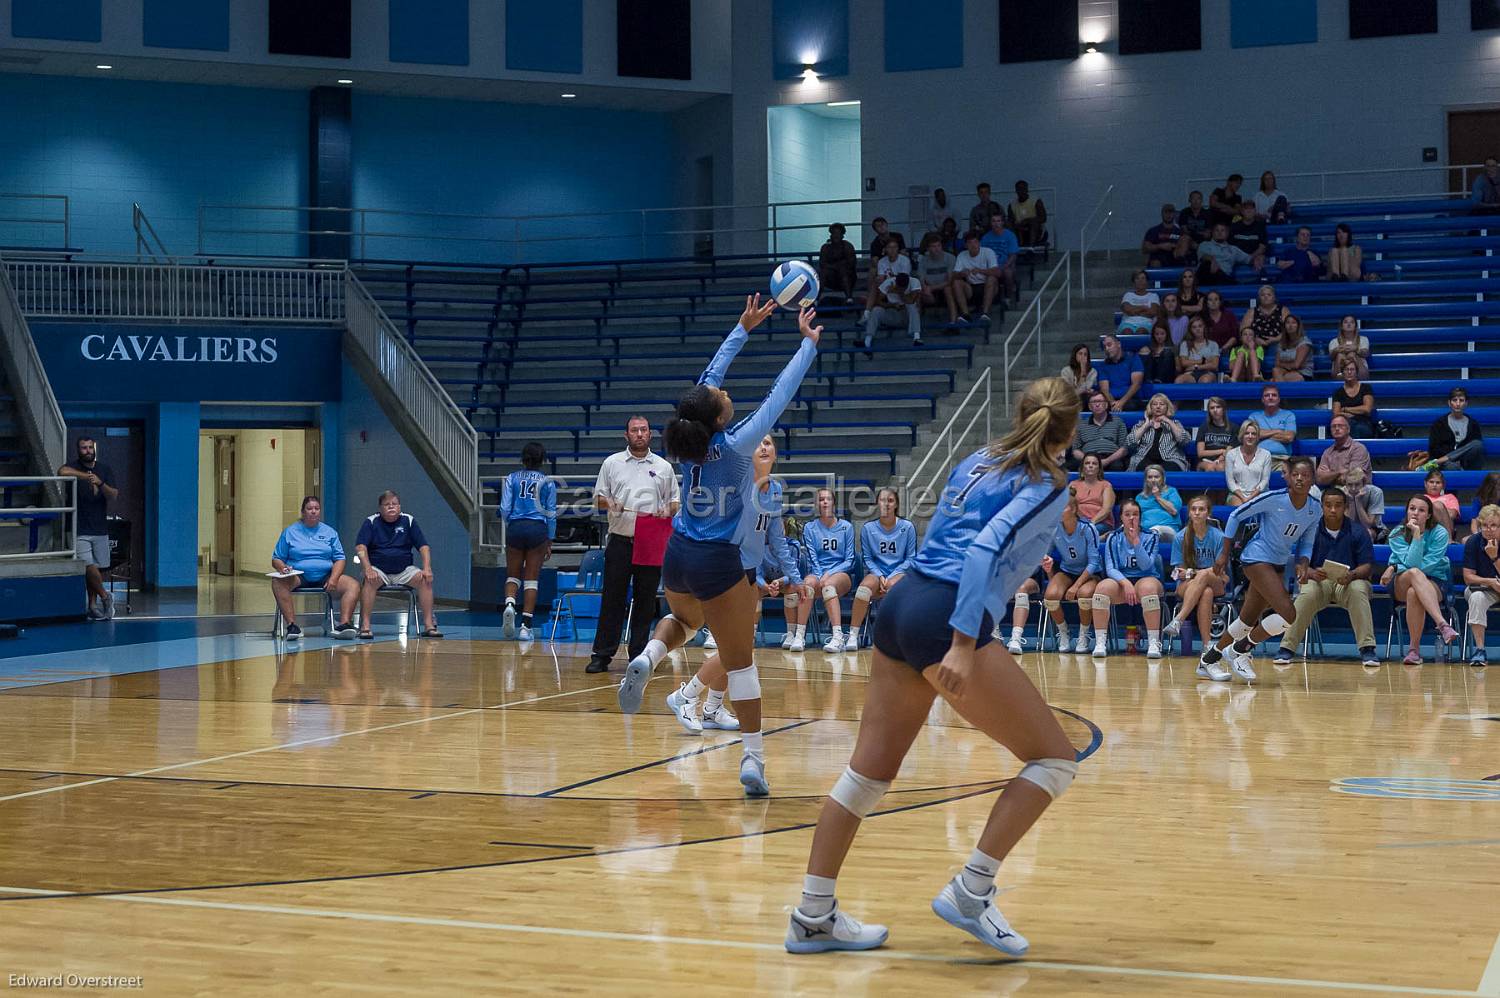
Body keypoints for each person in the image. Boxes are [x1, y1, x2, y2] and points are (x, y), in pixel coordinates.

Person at [785, 377, 1080, 958]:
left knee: (866, 775)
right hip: (947, 613)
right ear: (1070, 434)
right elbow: (985, 547)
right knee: (1053, 760)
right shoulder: (1051, 483)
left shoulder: (978, 457)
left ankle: (813, 914)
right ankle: (972, 891)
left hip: (903, 602)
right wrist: (965, 644)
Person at [616, 296, 820, 800]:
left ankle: (649, 654)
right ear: (721, 418)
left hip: (678, 552)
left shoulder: (690, 441)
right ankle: (753, 758)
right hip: (717, 561)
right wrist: (807, 345)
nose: (724, 392)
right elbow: (781, 393)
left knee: (685, 622)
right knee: (741, 663)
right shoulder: (737, 445)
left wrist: (742, 328)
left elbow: (707, 379)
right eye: (723, 396)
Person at [668, 433, 802, 733]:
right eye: (759, 443)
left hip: (750, 573)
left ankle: (713, 708)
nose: (764, 447)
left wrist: (793, 576)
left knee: (743, 649)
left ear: (776, 452)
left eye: (769, 443)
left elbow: (777, 539)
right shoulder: (735, 487)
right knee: (736, 649)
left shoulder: (775, 489)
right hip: (726, 571)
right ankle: (685, 696)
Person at [1197, 457, 1322, 683]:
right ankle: (1240, 651)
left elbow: (1307, 541)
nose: (1301, 479)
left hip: (1278, 564)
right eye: (1296, 475)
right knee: (1288, 614)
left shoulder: (1315, 509)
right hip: (1256, 558)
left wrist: (1303, 562)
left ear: (1313, 479)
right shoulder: (1274, 499)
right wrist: (1224, 553)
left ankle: (1208, 660)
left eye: (1306, 475)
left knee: (1247, 620)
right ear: (1289, 477)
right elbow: (1235, 515)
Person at [586, 415, 680, 675]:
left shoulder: (663, 467)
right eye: (634, 430)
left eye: (644, 430)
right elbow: (598, 498)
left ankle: (639, 655)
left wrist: (665, 509)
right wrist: (610, 503)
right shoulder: (612, 463)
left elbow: (675, 503)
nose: (639, 434)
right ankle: (601, 654)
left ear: (651, 435)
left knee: (646, 601)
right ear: (626, 435)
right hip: (620, 540)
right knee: (612, 598)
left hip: (650, 541)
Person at [1273, 487, 1379, 668]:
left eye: (1337, 505)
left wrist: (1352, 574)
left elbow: (1367, 566)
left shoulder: (1358, 531)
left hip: (1348, 582)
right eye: (1328, 505)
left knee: (1359, 589)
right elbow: (1299, 563)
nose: (1332, 509)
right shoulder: (1310, 530)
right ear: (1321, 506)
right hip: (1318, 581)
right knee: (1307, 594)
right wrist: (1312, 572)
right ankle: (1286, 648)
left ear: (1345, 507)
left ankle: (1367, 649)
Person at [1022, 485, 1102, 654]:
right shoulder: (1054, 528)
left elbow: (1094, 562)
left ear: (1073, 509)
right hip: (1067, 570)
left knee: (1085, 594)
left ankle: (1083, 634)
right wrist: (1046, 561)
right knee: (1050, 597)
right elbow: (1046, 554)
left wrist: (1076, 586)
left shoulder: (1088, 529)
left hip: (1090, 573)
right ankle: (1063, 631)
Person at [1380, 495, 1458, 665]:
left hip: (1434, 580)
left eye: (1421, 510)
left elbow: (1427, 567)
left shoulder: (1439, 533)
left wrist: (1394, 566)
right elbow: (1413, 565)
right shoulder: (1397, 533)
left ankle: (1413, 651)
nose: (1415, 513)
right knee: (1414, 573)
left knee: (1414, 592)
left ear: (1429, 515)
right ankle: (1442, 624)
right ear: (1407, 511)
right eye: (1412, 508)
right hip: (1402, 580)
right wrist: (1416, 535)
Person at [270, 495, 360, 640]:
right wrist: (283, 567)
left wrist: (334, 578)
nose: (313, 511)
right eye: (309, 508)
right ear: (303, 512)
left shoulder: (329, 532)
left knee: (353, 585)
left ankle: (344, 624)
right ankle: (292, 626)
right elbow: (276, 558)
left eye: (316, 509)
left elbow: (340, 558)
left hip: (326, 575)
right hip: (298, 576)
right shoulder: (290, 532)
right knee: (277, 582)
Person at [354, 490, 440, 639]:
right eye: (387, 504)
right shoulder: (371, 521)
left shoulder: (408, 520)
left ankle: (429, 625)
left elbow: (423, 547)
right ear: (380, 508)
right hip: (378, 569)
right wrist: (367, 568)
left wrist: (427, 568)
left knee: (425, 579)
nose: (391, 507)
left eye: (394, 504)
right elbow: (361, 547)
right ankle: (365, 626)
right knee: (370, 579)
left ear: (399, 506)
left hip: (404, 570)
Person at [1090, 499, 1166, 659]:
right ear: (1121, 518)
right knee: (1101, 589)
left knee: (1147, 589)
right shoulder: (1113, 537)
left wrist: (1136, 543)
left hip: (1147, 577)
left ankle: (1154, 643)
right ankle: (1100, 643)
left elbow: (1146, 566)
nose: (1132, 518)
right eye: (1127, 514)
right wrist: (1125, 583)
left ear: (1140, 517)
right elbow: (1110, 568)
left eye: (1136, 514)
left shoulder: (1151, 536)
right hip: (1122, 581)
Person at [499, 442, 557, 641]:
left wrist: (511, 523)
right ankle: (526, 626)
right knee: (531, 578)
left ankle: (509, 605)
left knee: (512, 575)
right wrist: (550, 538)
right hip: (537, 529)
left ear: (523, 458)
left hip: (516, 526)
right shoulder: (547, 482)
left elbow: (505, 508)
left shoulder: (512, 478)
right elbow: (551, 513)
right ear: (542, 459)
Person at [58, 436, 120, 621]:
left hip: (99, 527)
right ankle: (106, 597)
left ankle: (93, 605)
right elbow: (62, 471)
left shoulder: (105, 469)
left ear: (94, 449)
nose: (87, 450)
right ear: (78, 450)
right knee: (87, 565)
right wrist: (87, 476)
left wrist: (99, 483)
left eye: (89, 447)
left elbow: (114, 495)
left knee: (97, 569)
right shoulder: (74, 466)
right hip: (79, 527)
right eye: (83, 448)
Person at [847, 488, 917, 652]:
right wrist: (880, 576)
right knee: (863, 590)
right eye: (882, 500)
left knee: (894, 587)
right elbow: (868, 559)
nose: (886, 504)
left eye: (890, 500)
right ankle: (852, 635)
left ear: (896, 505)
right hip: (876, 572)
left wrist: (891, 577)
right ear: (877, 503)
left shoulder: (907, 527)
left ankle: (891, 639)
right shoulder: (868, 528)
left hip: (899, 572)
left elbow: (911, 558)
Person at [791, 488, 857, 654]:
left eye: (828, 499)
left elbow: (849, 560)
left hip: (841, 575)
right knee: (807, 584)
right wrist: (820, 575)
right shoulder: (810, 528)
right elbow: (813, 558)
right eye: (821, 499)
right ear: (817, 504)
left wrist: (829, 574)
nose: (825, 502)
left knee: (829, 585)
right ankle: (799, 636)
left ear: (834, 503)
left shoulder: (846, 527)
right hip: (818, 571)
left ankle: (838, 636)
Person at [1160, 496, 1228, 649]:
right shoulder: (1180, 537)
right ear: (1189, 513)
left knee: (1205, 576)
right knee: (1206, 592)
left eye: (1201, 509)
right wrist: (1193, 574)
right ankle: (1207, 645)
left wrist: (1193, 572)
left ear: (1208, 513)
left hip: (1217, 581)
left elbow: (1218, 570)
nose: (1197, 513)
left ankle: (1179, 619)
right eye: (1193, 509)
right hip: (1187, 585)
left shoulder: (1219, 536)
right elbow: (1180, 572)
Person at [1461, 504, 1500, 665]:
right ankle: (1480, 650)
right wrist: (1490, 582)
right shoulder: (1473, 542)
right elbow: (1468, 577)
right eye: (1485, 525)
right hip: (1482, 588)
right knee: (1476, 597)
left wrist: (1494, 558)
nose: (1489, 530)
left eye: (1494, 525)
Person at [1126, 393, 1190, 472]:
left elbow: (1184, 440)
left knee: (1169, 469)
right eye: (1155, 404)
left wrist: (1168, 421)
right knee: (1145, 469)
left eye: (1162, 404)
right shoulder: (1141, 424)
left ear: (1167, 407)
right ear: (1151, 407)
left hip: (1170, 459)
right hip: (1144, 458)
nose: (1158, 406)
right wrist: (1146, 425)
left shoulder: (1175, 423)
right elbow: (1130, 442)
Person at [861, 272, 923, 354]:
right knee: (876, 310)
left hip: (908, 316)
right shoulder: (889, 283)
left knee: (912, 306)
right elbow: (877, 301)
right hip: (893, 313)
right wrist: (891, 305)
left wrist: (899, 292)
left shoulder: (915, 282)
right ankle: (867, 341)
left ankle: (916, 337)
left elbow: (911, 301)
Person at [1425, 386, 1485, 471]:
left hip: (1466, 462)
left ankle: (1442, 460)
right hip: (1446, 464)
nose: (1458, 404)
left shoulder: (1473, 424)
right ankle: (1444, 460)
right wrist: (1452, 458)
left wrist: (1459, 459)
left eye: (1461, 400)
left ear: (1466, 403)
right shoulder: (1439, 424)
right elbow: (1434, 448)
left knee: (1477, 444)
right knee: (1452, 467)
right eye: (1454, 400)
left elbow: (1476, 449)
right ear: (1449, 403)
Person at [950, 230, 1001, 323]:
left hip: (988, 286)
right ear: (965, 245)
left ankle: (985, 313)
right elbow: (954, 275)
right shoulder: (962, 255)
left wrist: (980, 270)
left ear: (979, 243)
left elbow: (997, 272)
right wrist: (962, 273)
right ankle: (966, 314)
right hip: (971, 288)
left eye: (975, 242)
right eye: (970, 243)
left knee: (992, 278)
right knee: (956, 282)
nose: (973, 245)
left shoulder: (988, 252)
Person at [1070, 390, 1128, 471]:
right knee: (1072, 466)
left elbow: (1124, 449)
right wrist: (1089, 461)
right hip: (1087, 458)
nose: (1097, 404)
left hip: (1111, 458)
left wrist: (1107, 461)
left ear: (1106, 405)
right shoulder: (1081, 424)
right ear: (1089, 407)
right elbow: (1075, 450)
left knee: (1117, 466)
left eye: (1100, 401)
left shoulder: (1118, 422)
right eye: (1094, 402)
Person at [862, 236, 914, 319]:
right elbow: (881, 278)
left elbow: (903, 279)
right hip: (888, 287)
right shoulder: (882, 261)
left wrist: (888, 283)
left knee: (873, 294)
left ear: (898, 248)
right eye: (889, 247)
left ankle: (870, 305)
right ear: (885, 249)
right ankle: (867, 313)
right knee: (876, 283)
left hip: (903, 287)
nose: (892, 250)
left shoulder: (904, 261)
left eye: (895, 247)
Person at [1315, 414, 1373, 488]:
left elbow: (1354, 478)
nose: (1337, 428)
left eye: (1340, 426)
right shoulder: (1327, 452)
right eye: (1333, 426)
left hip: (1358, 491)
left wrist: (1330, 475)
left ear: (1348, 429)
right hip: (1335, 492)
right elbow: (1319, 479)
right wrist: (1339, 472)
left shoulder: (1358, 449)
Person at [1226, 420, 1272, 506]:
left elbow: (1264, 481)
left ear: (1258, 437)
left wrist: (1250, 497)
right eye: (1247, 433)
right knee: (1241, 509)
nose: (1250, 436)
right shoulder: (1231, 454)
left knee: (1255, 507)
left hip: (1259, 493)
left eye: (1253, 434)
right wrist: (1243, 498)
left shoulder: (1266, 454)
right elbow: (1230, 482)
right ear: (1242, 435)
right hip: (1237, 494)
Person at [1095, 333, 1146, 411]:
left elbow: (1136, 384)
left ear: (1118, 344)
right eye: (1104, 347)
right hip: (1111, 401)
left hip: (1131, 399)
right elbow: (1104, 389)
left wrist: (1121, 403)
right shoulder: (1103, 366)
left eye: (1109, 345)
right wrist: (1113, 403)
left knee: (1131, 406)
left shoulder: (1133, 358)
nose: (1107, 349)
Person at [1136, 464, 1184, 542]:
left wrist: (1158, 497)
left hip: (1168, 529)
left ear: (1162, 478)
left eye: (1156, 477)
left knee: (1155, 530)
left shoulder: (1171, 491)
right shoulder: (1140, 497)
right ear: (1146, 480)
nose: (1153, 480)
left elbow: (1174, 511)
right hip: (1145, 531)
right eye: (1150, 477)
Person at [1331, 357, 1377, 438]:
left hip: (1363, 423)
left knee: (1357, 429)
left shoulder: (1366, 388)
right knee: (1342, 429)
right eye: (1346, 369)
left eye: (1352, 369)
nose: (1349, 372)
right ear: (1343, 372)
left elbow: (1367, 409)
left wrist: (1346, 409)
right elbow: (1336, 413)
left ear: (1356, 372)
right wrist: (1349, 414)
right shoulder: (1338, 392)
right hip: (1345, 423)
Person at [979, 213, 1019, 302]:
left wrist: (1003, 267)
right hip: (990, 267)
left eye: (998, 221)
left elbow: (1013, 255)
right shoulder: (986, 237)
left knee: (1008, 272)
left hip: (1005, 265)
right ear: (990, 223)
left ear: (1002, 222)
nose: (996, 223)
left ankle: (1008, 298)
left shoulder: (1010, 235)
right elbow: (981, 254)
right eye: (993, 221)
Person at [1250, 384, 1297, 461]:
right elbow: (1253, 436)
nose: (1270, 397)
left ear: (1279, 399)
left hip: (1282, 458)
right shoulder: (1254, 416)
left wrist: (1262, 434)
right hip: (1258, 458)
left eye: (1274, 395)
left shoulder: (1288, 415)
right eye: (1267, 395)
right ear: (1262, 399)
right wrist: (1278, 431)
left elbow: (1289, 437)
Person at [916, 233, 956, 318]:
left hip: (946, 288)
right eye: (933, 246)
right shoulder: (923, 260)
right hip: (930, 290)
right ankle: (916, 325)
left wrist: (931, 288)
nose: (937, 249)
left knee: (947, 289)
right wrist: (925, 288)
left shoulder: (950, 258)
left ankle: (953, 322)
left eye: (938, 245)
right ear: (928, 248)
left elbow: (949, 281)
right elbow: (921, 279)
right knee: (917, 292)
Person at [1241, 284, 1291, 352]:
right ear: (1259, 298)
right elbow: (1243, 329)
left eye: (1269, 295)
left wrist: (1276, 339)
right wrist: (1255, 339)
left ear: (1274, 297)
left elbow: (1290, 328)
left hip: (1279, 342)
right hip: (1255, 343)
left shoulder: (1283, 310)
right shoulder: (1251, 311)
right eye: (1263, 295)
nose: (1266, 297)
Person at [1343, 466, 1387, 542]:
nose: (1353, 489)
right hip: (1349, 528)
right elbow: (1349, 524)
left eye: (1357, 484)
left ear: (1364, 484)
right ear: (1345, 484)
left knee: (1366, 533)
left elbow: (1368, 524)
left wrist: (1358, 502)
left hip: (1374, 529)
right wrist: (1351, 501)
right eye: (1350, 485)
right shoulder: (1341, 493)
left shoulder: (1376, 492)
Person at [1074, 453, 1117, 529]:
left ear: (1099, 468)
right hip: (1078, 522)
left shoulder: (1106, 485)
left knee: (1086, 532)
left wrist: (1090, 524)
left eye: (1094, 463)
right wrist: (1082, 522)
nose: (1090, 466)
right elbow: (1069, 506)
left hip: (1100, 523)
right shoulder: (1073, 485)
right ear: (1082, 468)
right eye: (1087, 463)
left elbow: (1106, 510)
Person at [817, 223, 857, 304]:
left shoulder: (848, 246)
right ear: (830, 235)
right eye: (834, 233)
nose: (836, 236)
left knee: (843, 270)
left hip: (848, 278)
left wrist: (840, 266)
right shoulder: (825, 247)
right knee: (823, 273)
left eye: (838, 233)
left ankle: (849, 298)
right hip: (830, 278)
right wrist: (836, 267)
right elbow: (822, 264)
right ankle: (816, 299)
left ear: (842, 235)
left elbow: (852, 264)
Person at [1142, 203, 1190, 268]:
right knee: (1155, 263)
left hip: (1175, 260)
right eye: (1166, 212)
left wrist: (1177, 247)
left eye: (1171, 212)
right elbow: (1145, 249)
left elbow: (1186, 249)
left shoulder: (1180, 232)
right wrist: (1160, 246)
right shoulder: (1153, 231)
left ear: (1174, 214)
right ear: (1162, 214)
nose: (1168, 215)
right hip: (1158, 260)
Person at [1176, 315, 1221, 383]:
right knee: (1179, 380)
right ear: (1190, 330)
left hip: (1208, 373)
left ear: (1204, 327)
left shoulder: (1213, 344)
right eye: (1194, 327)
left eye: (1200, 326)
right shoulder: (1184, 344)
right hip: (1190, 373)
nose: (1197, 329)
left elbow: (1214, 365)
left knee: (1205, 380)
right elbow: (1184, 363)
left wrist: (1196, 367)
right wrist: (1203, 361)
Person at [1195, 397, 1235, 471]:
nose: (1215, 410)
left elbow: (1229, 450)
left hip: (1225, 460)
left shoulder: (1233, 427)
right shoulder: (1204, 427)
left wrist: (1219, 459)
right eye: (1212, 408)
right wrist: (1221, 451)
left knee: (1220, 467)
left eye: (1218, 407)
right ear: (1209, 411)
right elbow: (1200, 453)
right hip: (1205, 461)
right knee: (1210, 468)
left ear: (1223, 409)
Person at [1270, 314, 1313, 382]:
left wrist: (1282, 364)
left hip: (1302, 373)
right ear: (1284, 326)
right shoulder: (1281, 343)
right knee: (1275, 370)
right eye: (1288, 323)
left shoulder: (1304, 342)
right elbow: (1276, 364)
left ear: (1298, 326)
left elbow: (1297, 365)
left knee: (1273, 381)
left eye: (1293, 323)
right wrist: (1289, 365)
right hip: (1285, 372)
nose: (1290, 325)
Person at [1006, 180, 1047, 247]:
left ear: (1027, 190)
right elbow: (1011, 221)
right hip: (1020, 231)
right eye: (1019, 189)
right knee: (1006, 223)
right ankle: (1015, 247)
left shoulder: (1036, 201)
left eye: (1023, 189)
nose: (1021, 191)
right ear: (1016, 191)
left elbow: (1043, 218)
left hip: (1037, 231)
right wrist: (1019, 225)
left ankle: (1031, 248)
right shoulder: (1011, 205)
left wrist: (1027, 221)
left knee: (1033, 222)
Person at [1422, 468, 1460, 535]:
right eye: (1431, 482)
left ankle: (1448, 538)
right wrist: (1441, 511)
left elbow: (1452, 515)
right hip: (1426, 529)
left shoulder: (1450, 497)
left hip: (1446, 529)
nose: (1434, 485)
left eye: (1438, 482)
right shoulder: (1421, 498)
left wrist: (1432, 509)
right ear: (1425, 484)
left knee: (1438, 505)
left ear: (1443, 485)